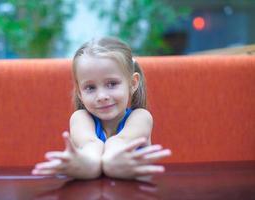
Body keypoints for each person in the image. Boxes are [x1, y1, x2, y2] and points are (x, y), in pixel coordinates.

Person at [32, 37, 171, 180]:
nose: (102, 96)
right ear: (80, 93)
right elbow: (90, 145)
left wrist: (103, 164)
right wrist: (90, 164)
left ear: (133, 83)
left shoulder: (141, 117)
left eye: (112, 84)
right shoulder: (80, 118)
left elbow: (121, 142)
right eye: (90, 87)